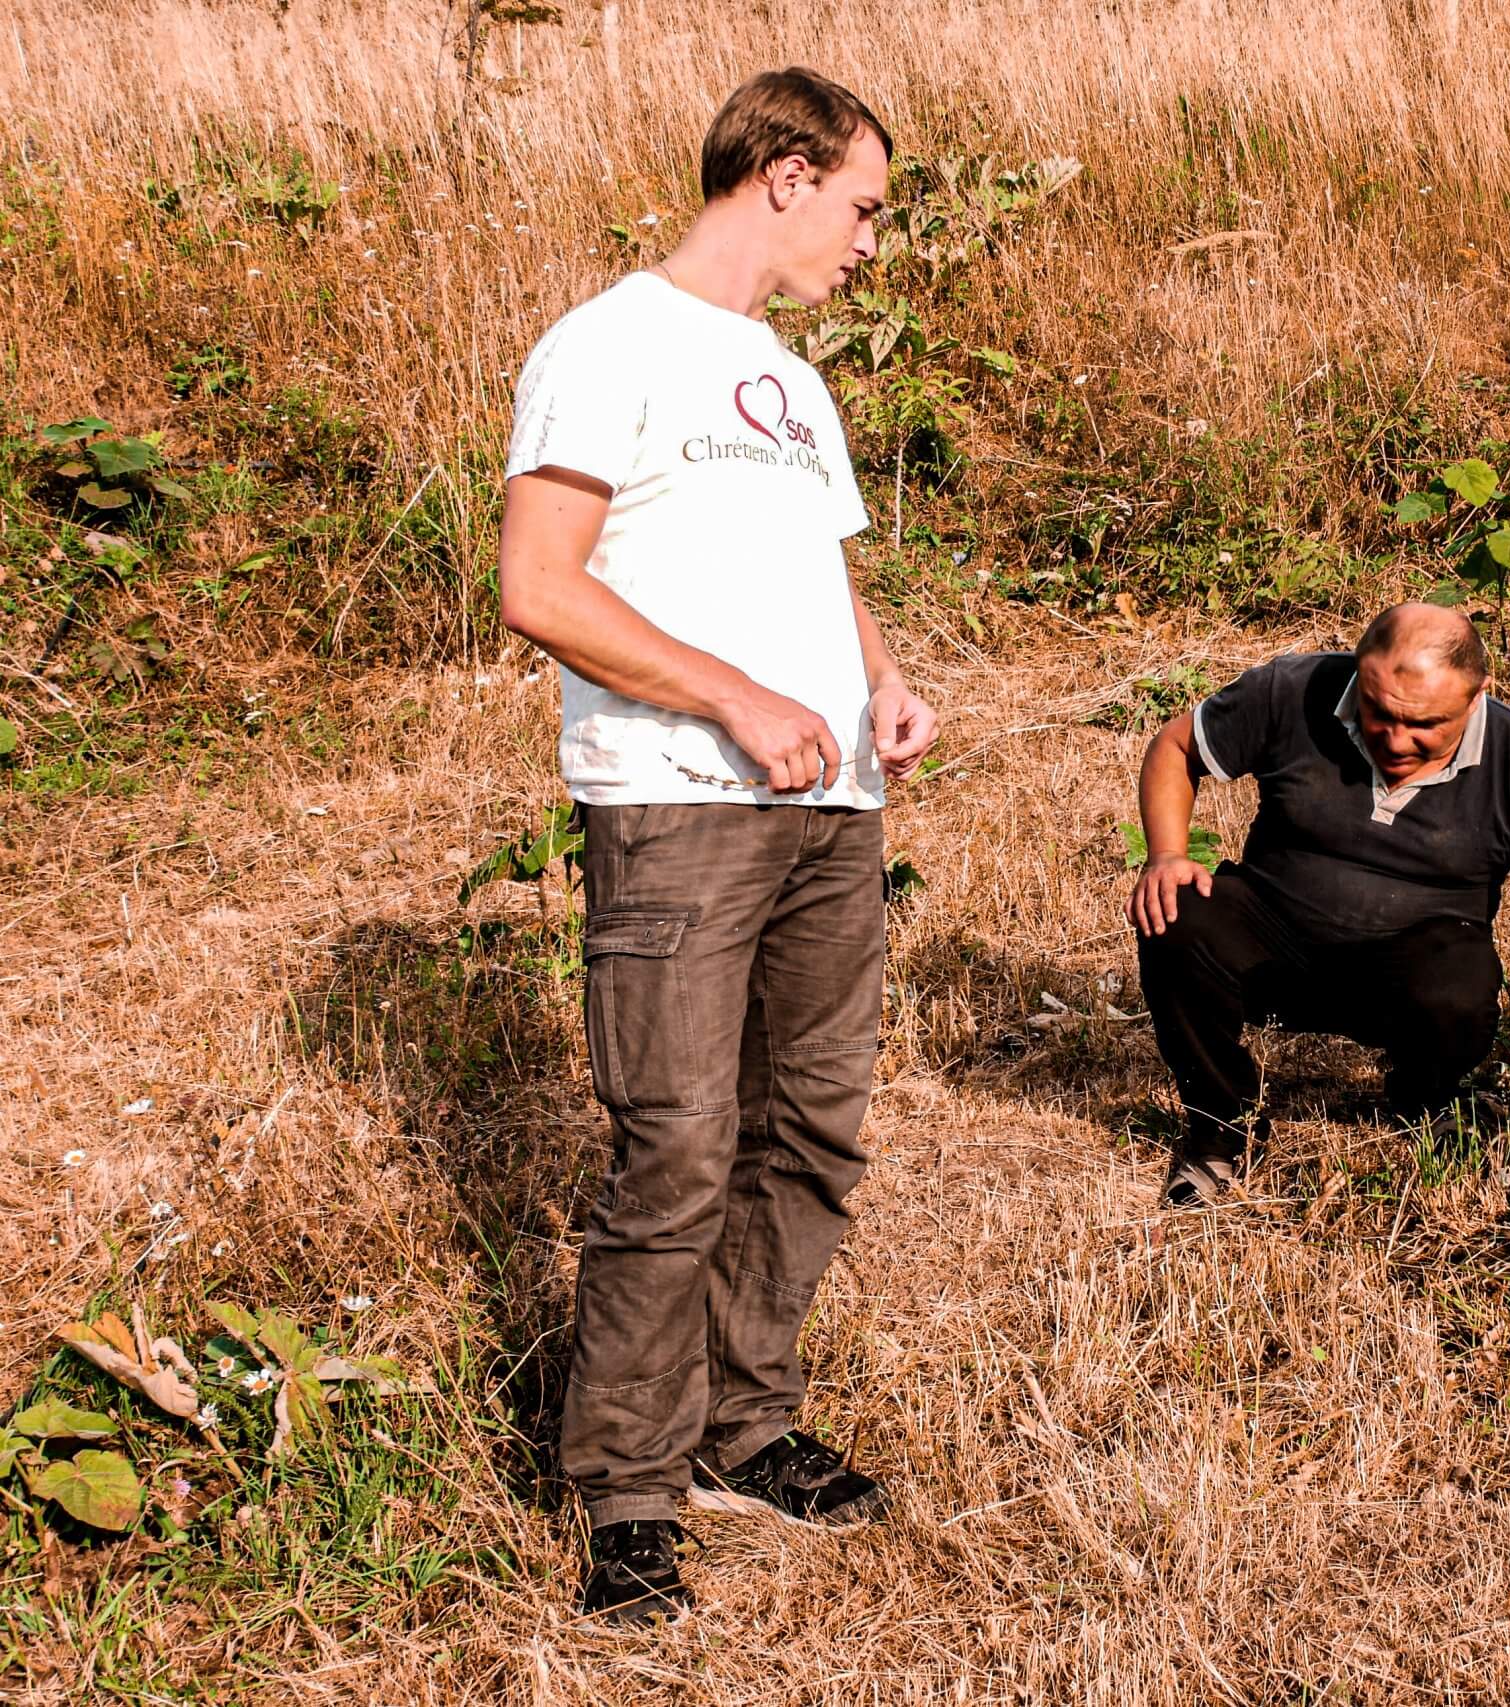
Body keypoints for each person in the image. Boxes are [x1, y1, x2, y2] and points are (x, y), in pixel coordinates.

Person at [495, 67, 938, 1624]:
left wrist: (874, 677)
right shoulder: (606, 344)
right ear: (786, 173)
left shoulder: (790, 379)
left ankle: (745, 1424)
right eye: (866, 208)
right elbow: (540, 586)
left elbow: (817, 571)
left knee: (809, 1132)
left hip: (831, 810)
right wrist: (741, 699)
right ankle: (625, 1487)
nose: (874, 242)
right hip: (682, 802)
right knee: (674, 1148)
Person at [1127, 603, 1510, 1206]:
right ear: (1359, 671)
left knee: (1461, 986)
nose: (1397, 740)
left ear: (1480, 693)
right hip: (1273, 936)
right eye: (1378, 712)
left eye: (1425, 723)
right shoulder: (1294, 691)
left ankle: (1422, 1097)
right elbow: (1176, 746)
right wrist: (1166, 855)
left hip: (1412, 974)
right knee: (1175, 915)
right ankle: (1222, 1128)